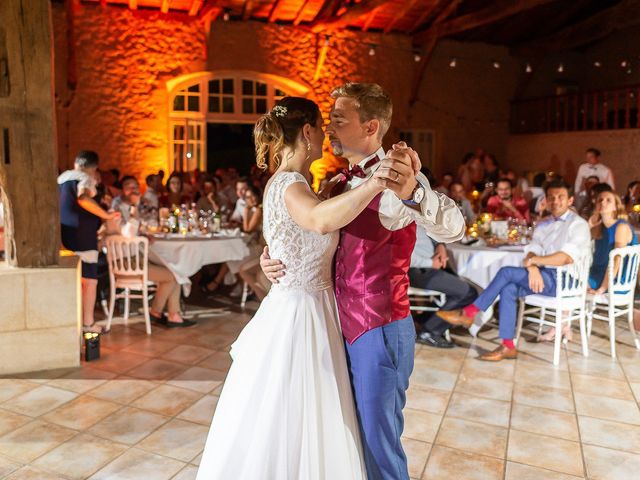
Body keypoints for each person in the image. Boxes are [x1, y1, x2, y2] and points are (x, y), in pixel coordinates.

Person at [259, 84, 464, 479]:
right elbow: (304, 231)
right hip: (335, 328)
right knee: (346, 436)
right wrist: (271, 257)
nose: (330, 128)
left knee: (378, 444)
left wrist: (414, 194)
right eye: (329, 120)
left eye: (339, 119)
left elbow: (454, 227)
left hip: (379, 328)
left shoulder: (397, 181)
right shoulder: (335, 185)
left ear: (371, 127)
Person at [197, 96, 394, 479]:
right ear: (307, 132)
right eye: (322, 127)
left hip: (305, 302)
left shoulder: (294, 184)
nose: (326, 135)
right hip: (302, 313)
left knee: (298, 412)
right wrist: (377, 182)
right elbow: (319, 222)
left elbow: (299, 232)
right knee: (300, 411)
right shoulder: (289, 183)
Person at [438, 179, 591, 360]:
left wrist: (534, 261)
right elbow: (531, 249)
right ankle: (508, 345)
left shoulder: (578, 224)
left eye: (560, 197)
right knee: (508, 288)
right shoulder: (544, 224)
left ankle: (470, 312)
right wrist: (532, 265)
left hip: (567, 280)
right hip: (544, 275)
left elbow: (565, 257)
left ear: (570, 200)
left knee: (507, 272)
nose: (555, 201)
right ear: (546, 200)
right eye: (551, 197)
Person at [106, 188, 196, 328]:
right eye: (130, 188)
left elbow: (132, 233)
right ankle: (158, 312)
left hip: (135, 260)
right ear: (123, 191)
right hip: (125, 264)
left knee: (174, 272)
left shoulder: (128, 209)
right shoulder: (115, 211)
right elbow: (128, 235)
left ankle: (172, 315)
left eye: (135, 188)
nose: (134, 191)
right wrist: (135, 210)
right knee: (174, 275)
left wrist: (142, 234)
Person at [58, 151, 120, 333]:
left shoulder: (62, 178)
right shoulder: (85, 178)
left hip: (64, 236)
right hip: (82, 237)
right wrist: (106, 215)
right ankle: (88, 324)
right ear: (93, 168)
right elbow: (83, 198)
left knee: (74, 282)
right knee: (89, 282)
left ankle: (73, 324)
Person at [409, 228, 477, 348]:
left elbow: (428, 232)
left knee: (465, 286)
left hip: (430, 266)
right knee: (468, 293)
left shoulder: (415, 214)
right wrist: (430, 263)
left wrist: (440, 245)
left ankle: (423, 321)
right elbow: (402, 255)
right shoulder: (401, 218)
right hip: (419, 271)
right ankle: (429, 331)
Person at [587, 191, 638, 295]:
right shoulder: (598, 228)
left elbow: (616, 261)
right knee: (567, 277)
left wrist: (602, 288)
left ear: (615, 207)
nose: (602, 202)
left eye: (608, 200)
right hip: (597, 273)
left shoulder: (621, 227)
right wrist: (589, 226)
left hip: (615, 278)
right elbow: (578, 246)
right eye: (599, 200)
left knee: (571, 283)